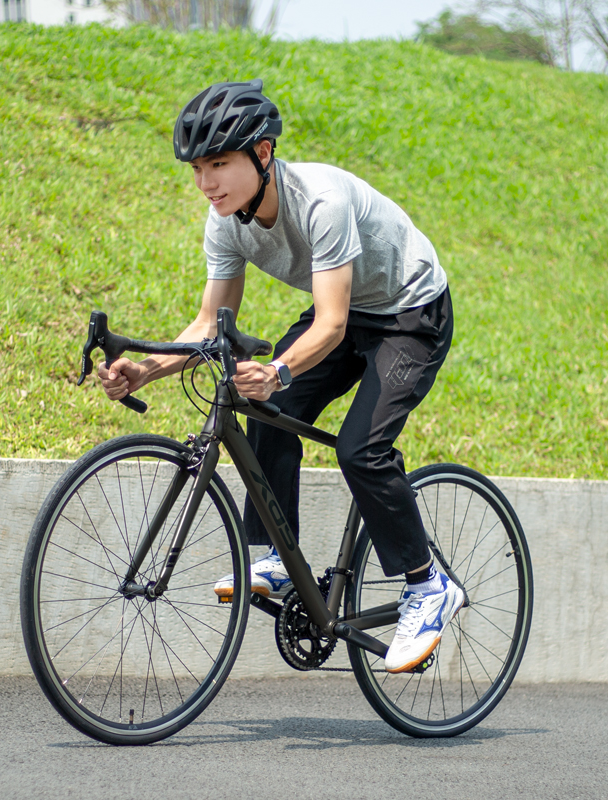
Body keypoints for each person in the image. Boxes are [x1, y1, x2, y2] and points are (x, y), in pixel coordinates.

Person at [99, 79, 463, 674]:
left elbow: (333, 323)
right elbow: (208, 324)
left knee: (361, 449)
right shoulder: (225, 222)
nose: (205, 182)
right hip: (341, 311)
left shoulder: (320, 201)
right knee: (261, 404)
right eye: (197, 169)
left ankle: (427, 587)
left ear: (262, 154)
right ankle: (270, 555)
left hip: (409, 313)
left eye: (218, 164)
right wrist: (146, 371)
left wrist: (280, 369)